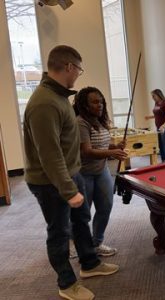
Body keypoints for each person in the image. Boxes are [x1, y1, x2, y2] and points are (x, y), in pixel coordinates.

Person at [23, 45, 119, 300]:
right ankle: (67, 284)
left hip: (71, 173)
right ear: (69, 67)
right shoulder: (44, 103)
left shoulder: (59, 97)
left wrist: (74, 179)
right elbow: (49, 154)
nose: (78, 74)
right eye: (78, 69)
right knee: (59, 232)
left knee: (80, 221)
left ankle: (89, 264)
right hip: (50, 182)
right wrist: (68, 190)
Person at [73, 86, 127, 257]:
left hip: (101, 170)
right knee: (84, 213)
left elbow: (101, 145)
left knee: (106, 206)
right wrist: (112, 153)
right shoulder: (80, 122)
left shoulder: (100, 121)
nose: (100, 105)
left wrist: (115, 146)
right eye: (95, 102)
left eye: (101, 101)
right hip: (83, 173)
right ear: (85, 105)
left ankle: (96, 243)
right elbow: (86, 151)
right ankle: (81, 245)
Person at [145, 89, 165, 162]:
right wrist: (150, 117)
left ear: (158, 95)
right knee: (160, 146)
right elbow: (158, 115)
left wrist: (163, 126)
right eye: (152, 96)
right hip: (158, 127)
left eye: (153, 96)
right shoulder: (156, 103)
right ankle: (163, 161)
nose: (152, 97)